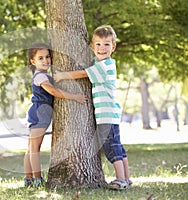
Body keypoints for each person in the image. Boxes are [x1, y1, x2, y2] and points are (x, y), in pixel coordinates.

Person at [54, 25, 132, 190]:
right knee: (117, 145)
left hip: (107, 114)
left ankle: (121, 179)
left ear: (113, 47)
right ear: (92, 46)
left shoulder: (105, 65)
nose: (102, 48)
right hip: (109, 113)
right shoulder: (99, 62)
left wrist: (63, 75)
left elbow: (83, 73)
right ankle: (127, 178)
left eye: (106, 45)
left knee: (111, 147)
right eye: (98, 44)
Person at [24, 43, 87, 188]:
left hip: (39, 113)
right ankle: (37, 179)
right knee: (34, 148)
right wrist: (74, 96)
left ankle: (29, 180)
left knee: (31, 147)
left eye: (47, 57)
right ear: (33, 62)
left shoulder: (44, 75)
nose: (45, 60)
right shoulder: (40, 77)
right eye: (41, 58)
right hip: (40, 113)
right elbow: (53, 91)